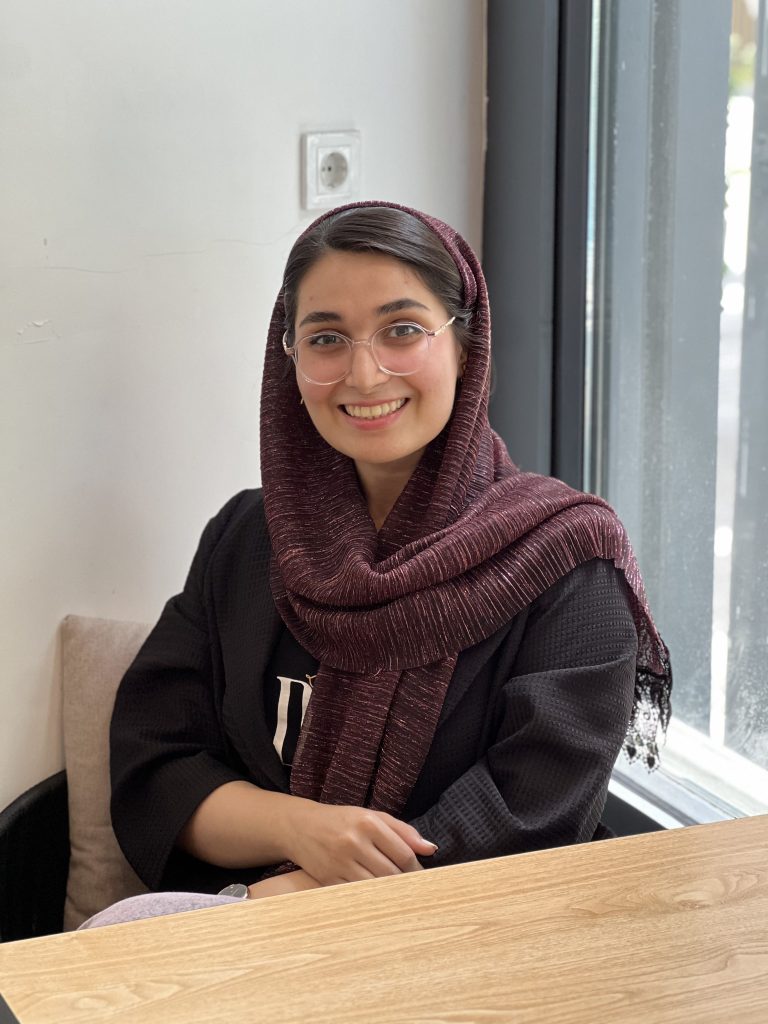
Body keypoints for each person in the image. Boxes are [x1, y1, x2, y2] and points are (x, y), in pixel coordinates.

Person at [90, 201, 671, 928]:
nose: (364, 374)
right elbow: (155, 767)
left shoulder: (567, 560)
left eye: (402, 330)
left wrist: (270, 909)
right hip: (244, 922)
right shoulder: (246, 538)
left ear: (466, 345)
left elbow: (532, 815)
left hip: (478, 936)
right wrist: (302, 829)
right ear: (289, 360)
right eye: (326, 338)